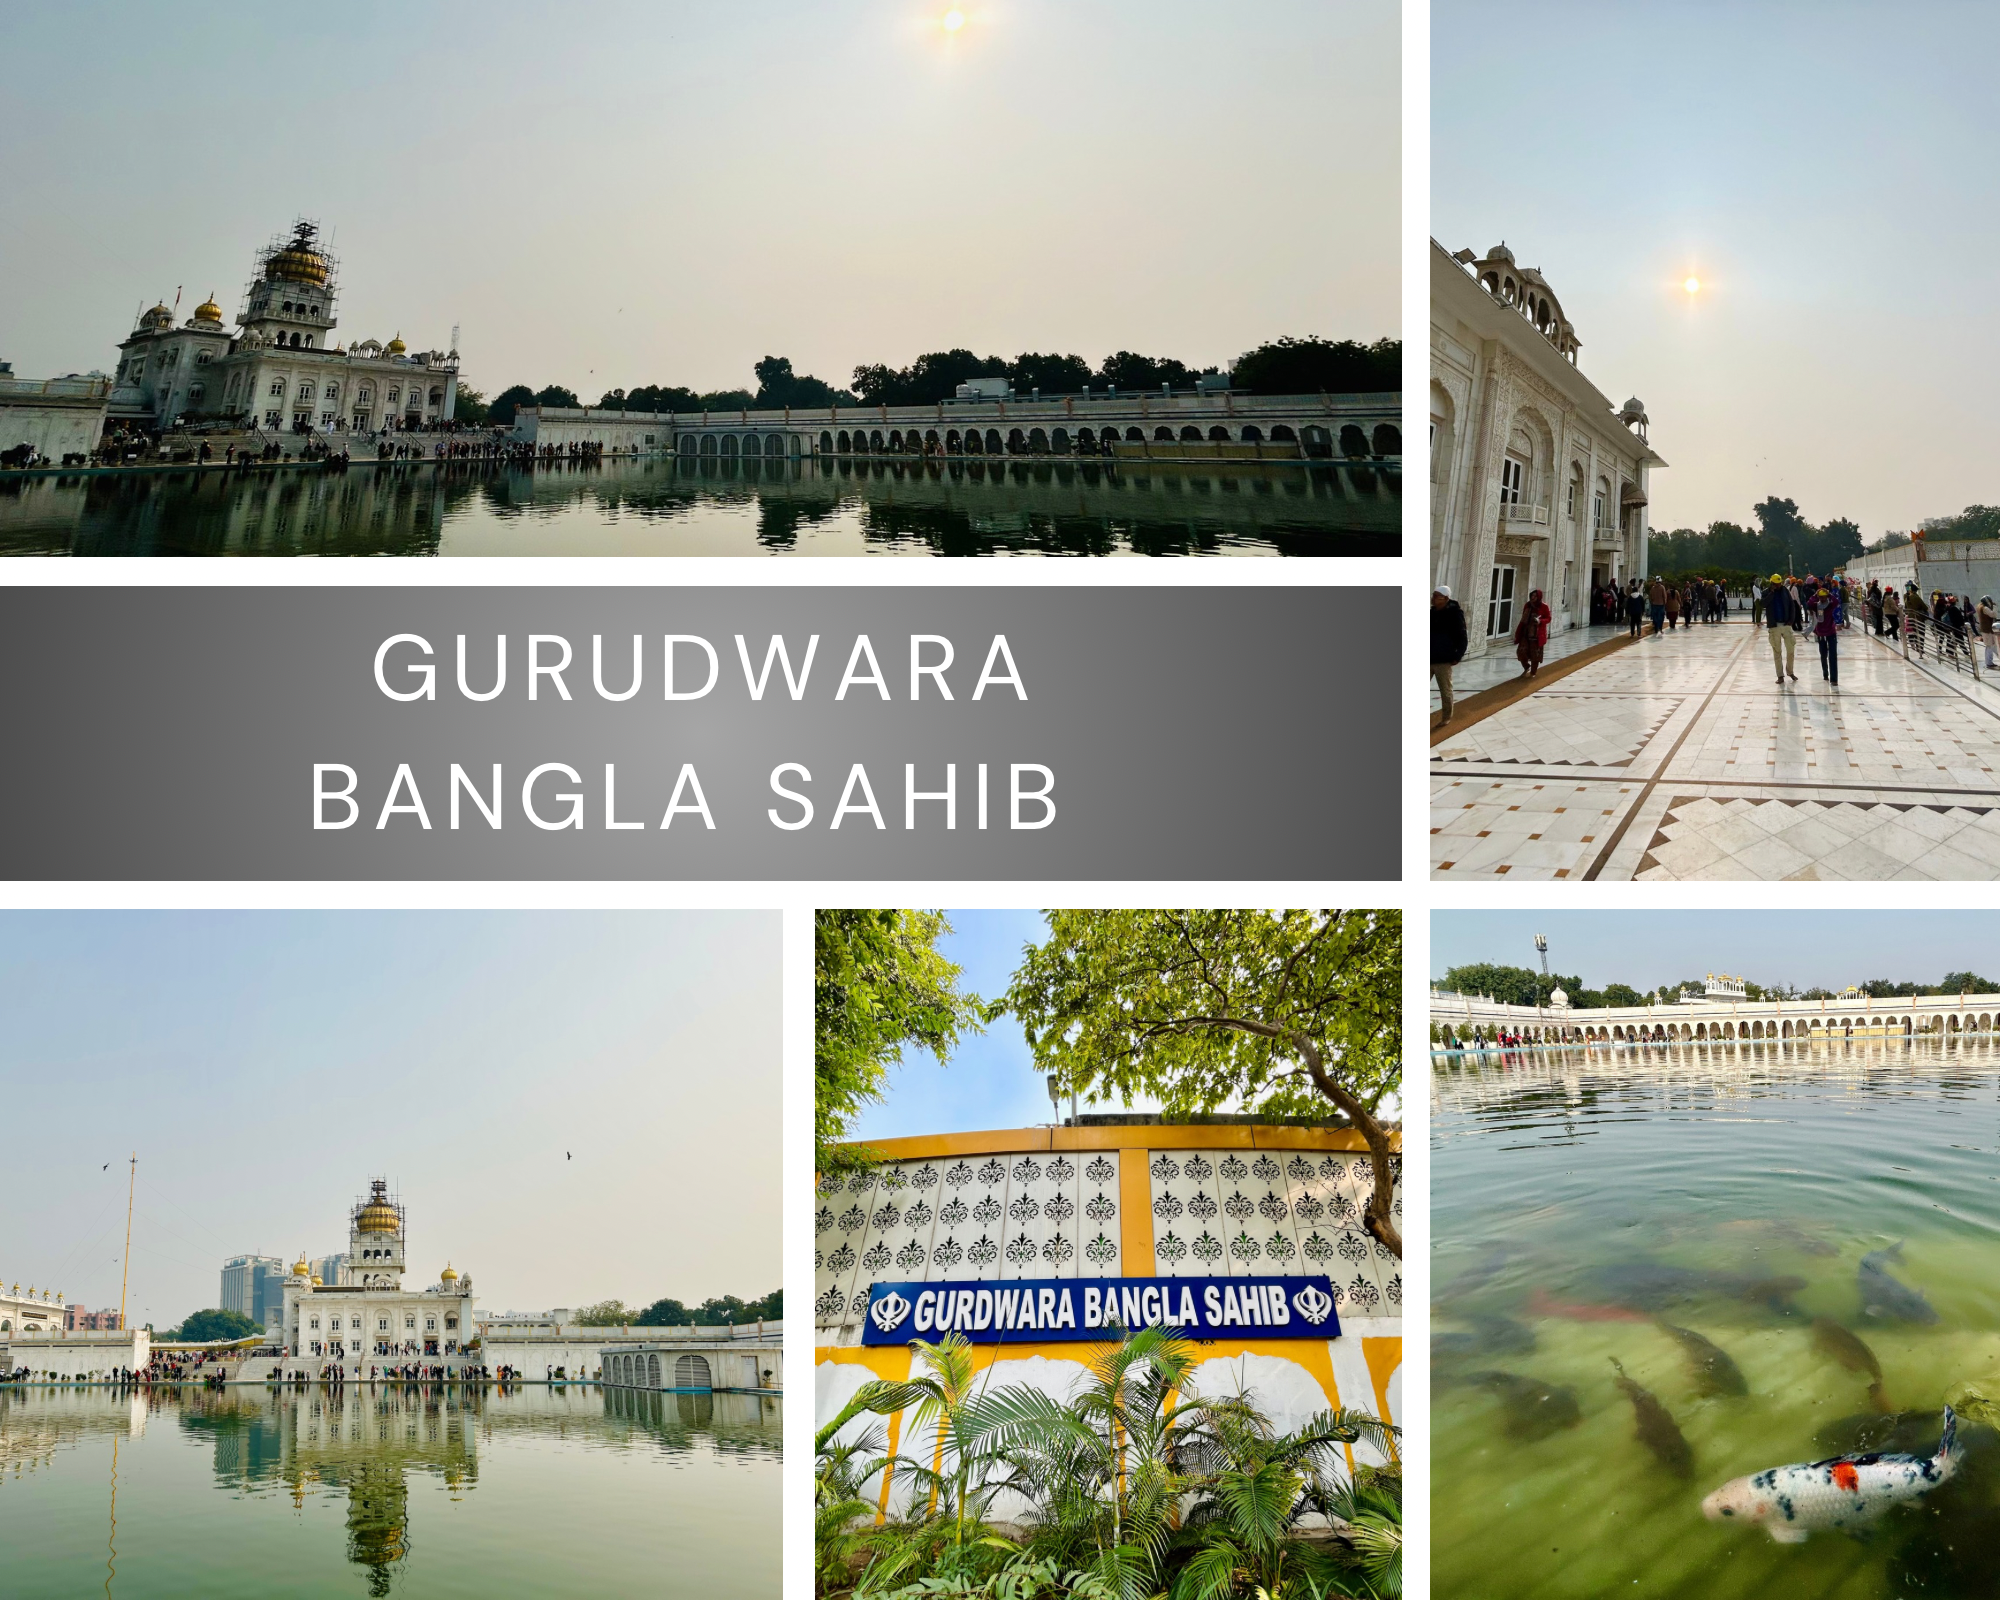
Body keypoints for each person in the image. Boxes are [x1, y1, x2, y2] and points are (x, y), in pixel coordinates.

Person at [1431, 585, 1467, 727]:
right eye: (1433, 595)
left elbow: (1462, 636)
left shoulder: (1455, 614)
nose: (1433, 599)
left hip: (1443, 659)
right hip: (1429, 656)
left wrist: (1457, 655)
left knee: (1445, 690)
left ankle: (1446, 717)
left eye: (1436, 596)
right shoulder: (1431, 613)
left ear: (1445, 598)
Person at [1763, 572, 1801, 684]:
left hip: (1786, 625)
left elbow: (1791, 605)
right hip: (1774, 626)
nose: (1778, 585)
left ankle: (1790, 671)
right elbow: (1763, 604)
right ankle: (1780, 675)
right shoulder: (1766, 592)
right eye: (1776, 584)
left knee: (1790, 650)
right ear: (1772, 583)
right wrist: (1771, 593)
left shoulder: (1785, 591)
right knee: (1777, 651)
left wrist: (1791, 620)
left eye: (1779, 583)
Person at [1514, 587, 1551, 678]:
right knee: (1521, 652)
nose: (1533, 597)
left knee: (1535, 655)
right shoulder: (1528, 605)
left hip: (1537, 634)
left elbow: (1548, 618)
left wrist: (1540, 621)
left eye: (1535, 596)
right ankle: (1526, 667)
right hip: (1526, 633)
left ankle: (1533, 672)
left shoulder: (1544, 606)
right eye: (1532, 595)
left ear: (1539, 597)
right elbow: (1523, 618)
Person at [1810, 580, 1840, 686]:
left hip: (1831, 633)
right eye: (1821, 597)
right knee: (1823, 655)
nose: (1822, 599)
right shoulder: (1816, 605)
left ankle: (1834, 679)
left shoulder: (1830, 605)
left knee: (1832, 656)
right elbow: (1809, 603)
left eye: (1824, 597)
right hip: (1821, 634)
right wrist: (1816, 594)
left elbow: (1836, 601)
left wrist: (1829, 594)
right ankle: (1825, 674)